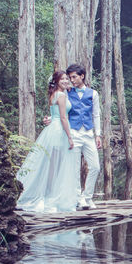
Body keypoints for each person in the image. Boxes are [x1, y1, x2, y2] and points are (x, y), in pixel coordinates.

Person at [16, 71, 80, 213]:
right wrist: (70, 137)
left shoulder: (54, 94)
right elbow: (63, 117)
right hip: (59, 131)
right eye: (62, 79)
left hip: (52, 129)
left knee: (51, 166)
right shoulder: (61, 95)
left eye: (66, 79)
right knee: (55, 167)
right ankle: (50, 198)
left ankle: (47, 197)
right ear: (56, 81)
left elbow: (55, 115)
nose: (65, 81)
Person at [46, 64, 102, 210]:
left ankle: (87, 197)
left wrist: (98, 134)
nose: (71, 80)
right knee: (75, 169)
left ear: (82, 76)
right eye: (70, 77)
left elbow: (96, 114)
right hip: (73, 134)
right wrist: (49, 119)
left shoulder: (93, 93)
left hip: (88, 134)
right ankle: (78, 199)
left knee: (95, 166)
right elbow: (60, 112)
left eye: (74, 77)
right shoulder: (67, 92)